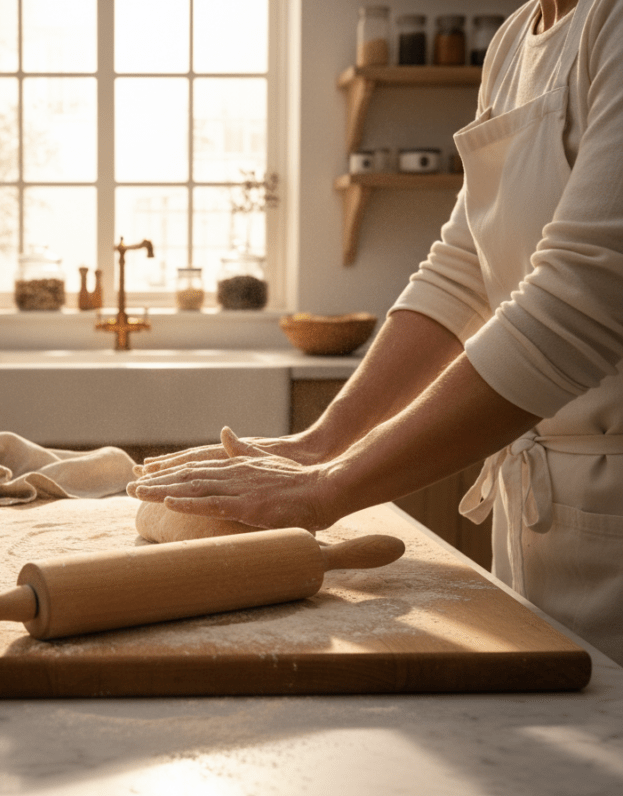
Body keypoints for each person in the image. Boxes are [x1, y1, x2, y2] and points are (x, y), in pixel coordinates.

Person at [129, 0, 623, 666]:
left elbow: (579, 303)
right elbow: (462, 271)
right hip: (546, 516)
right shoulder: (514, 40)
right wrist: (319, 446)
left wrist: (332, 486)